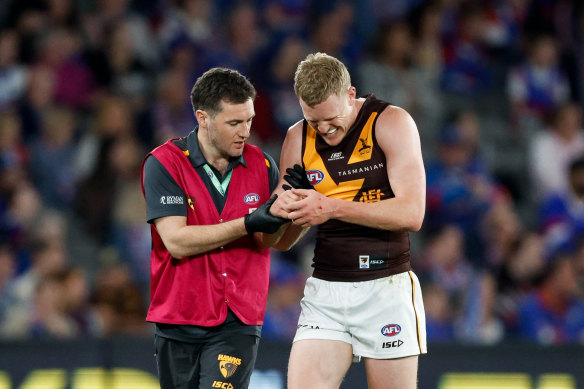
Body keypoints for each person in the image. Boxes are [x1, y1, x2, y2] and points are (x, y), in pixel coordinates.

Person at [270, 53, 428, 389]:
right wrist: (286, 212)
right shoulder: (296, 139)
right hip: (326, 289)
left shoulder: (391, 122)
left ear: (351, 94)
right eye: (314, 122)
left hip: (386, 286)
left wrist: (329, 207)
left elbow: (412, 214)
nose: (324, 131)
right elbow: (281, 241)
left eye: (332, 119)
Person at [140, 67, 288, 389]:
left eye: (249, 120)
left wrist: (292, 215)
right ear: (203, 118)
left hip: (237, 319)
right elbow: (176, 241)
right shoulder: (165, 163)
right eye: (234, 123)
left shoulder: (263, 166)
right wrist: (248, 223)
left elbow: (270, 240)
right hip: (178, 316)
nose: (245, 131)